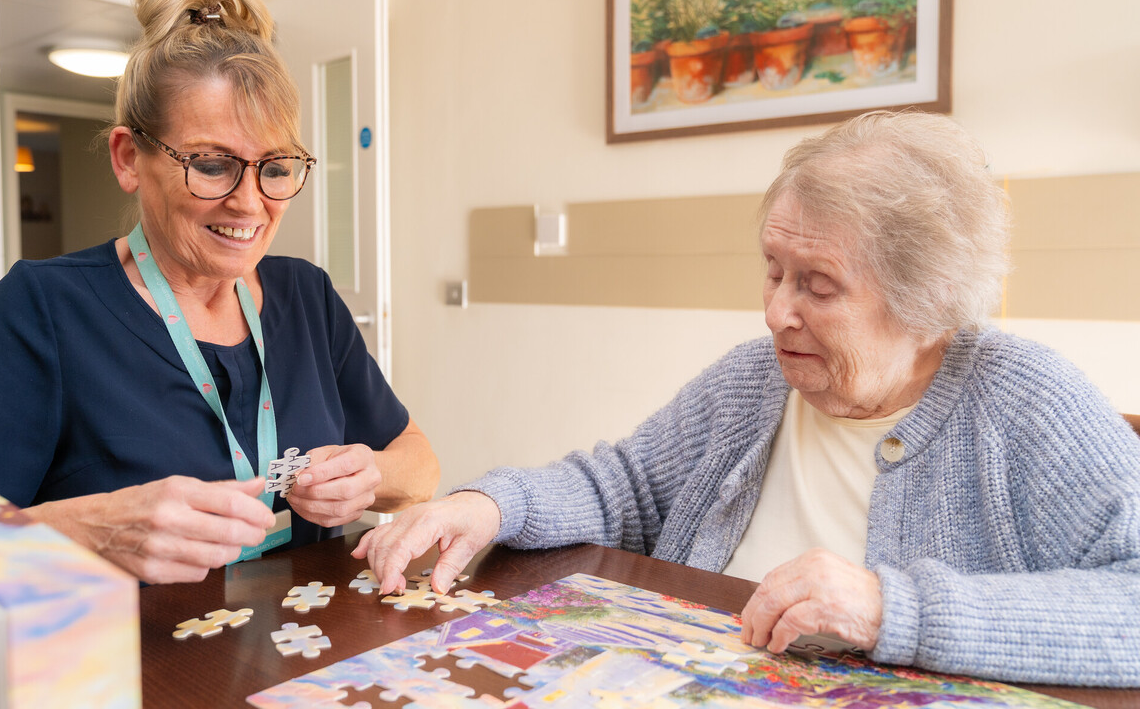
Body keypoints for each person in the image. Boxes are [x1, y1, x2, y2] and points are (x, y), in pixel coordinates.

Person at [356, 110, 1140, 687]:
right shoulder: (755, 378)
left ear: (923, 300)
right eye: (773, 270)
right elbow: (623, 486)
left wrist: (890, 610)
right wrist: (492, 506)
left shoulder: (1027, 399)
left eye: (818, 286)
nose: (774, 313)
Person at [0, 0, 439, 585]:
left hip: (312, 665)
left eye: (276, 168)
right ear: (129, 158)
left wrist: (372, 477)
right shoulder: (43, 309)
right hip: (129, 671)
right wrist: (92, 528)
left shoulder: (306, 294)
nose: (250, 204)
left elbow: (419, 466)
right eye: (211, 164)